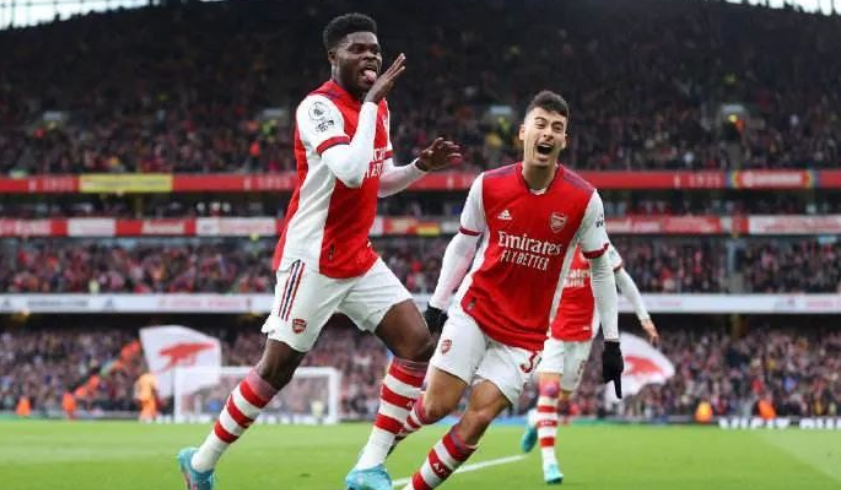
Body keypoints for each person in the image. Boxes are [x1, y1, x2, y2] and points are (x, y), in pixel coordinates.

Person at [176, 13, 461, 490]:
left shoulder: (378, 110)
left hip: (357, 257)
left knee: (417, 344)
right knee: (276, 369)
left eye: (375, 49)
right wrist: (370, 105)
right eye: (358, 49)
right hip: (311, 259)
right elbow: (348, 170)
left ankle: (368, 466)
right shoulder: (317, 108)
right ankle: (201, 462)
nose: (370, 56)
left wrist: (418, 167)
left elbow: (375, 180)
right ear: (333, 57)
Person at [391, 90, 624, 490]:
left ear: (564, 140)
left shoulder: (585, 200)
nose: (547, 133)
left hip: (526, 334)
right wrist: (437, 306)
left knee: (479, 418)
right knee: (435, 406)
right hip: (477, 311)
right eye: (540, 124)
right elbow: (462, 245)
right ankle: (377, 453)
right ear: (522, 132)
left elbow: (602, 269)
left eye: (556, 128)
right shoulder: (489, 184)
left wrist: (613, 342)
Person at [520, 243, 660, 484]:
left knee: (564, 396)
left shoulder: (598, 243)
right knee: (549, 391)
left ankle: (535, 419)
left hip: (582, 337)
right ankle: (549, 463)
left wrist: (644, 317)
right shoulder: (553, 242)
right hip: (553, 333)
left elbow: (623, 280)